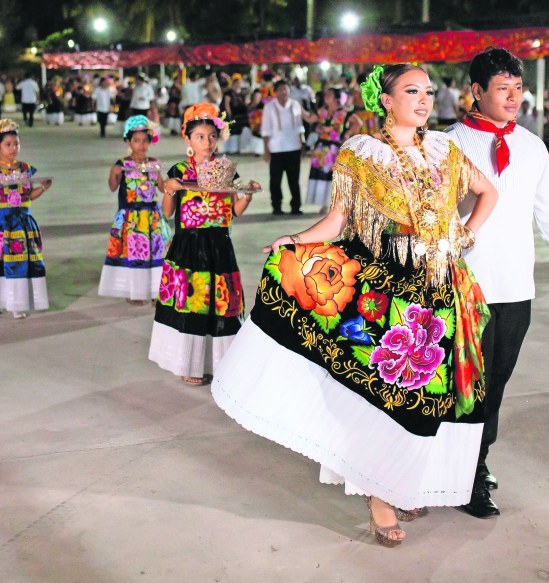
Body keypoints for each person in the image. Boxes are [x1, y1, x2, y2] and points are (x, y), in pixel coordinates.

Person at [212, 63, 499, 547]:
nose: (424, 99)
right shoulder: (362, 154)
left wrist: (462, 235)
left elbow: (488, 193)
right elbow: (338, 221)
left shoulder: (445, 149)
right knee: (382, 396)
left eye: (428, 91)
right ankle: (379, 497)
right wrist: (295, 240)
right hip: (389, 286)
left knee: (425, 398)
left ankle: (404, 481)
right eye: (412, 91)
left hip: (443, 286)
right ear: (385, 100)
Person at [445, 47, 549, 519]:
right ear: (476, 91)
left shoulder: (532, 147)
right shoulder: (447, 145)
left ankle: (475, 460)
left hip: (515, 288)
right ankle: (465, 474)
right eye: (502, 88)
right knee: (461, 384)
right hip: (463, 286)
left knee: (496, 384)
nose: (513, 98)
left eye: (518, 88)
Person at [150, 103, 256, 385]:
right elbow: (168, 212)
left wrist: (247, 195)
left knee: (220, 305)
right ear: (188, 139)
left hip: (220, 245)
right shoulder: (180, 170)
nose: (207, 142)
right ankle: (190, 364)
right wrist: (171, 189)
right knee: (193, 304)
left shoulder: (226, 171)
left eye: (211, 136)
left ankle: (221, 363)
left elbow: (234, 211)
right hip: (189, 247)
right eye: (200, 137)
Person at [0, 119, 53, 318]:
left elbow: (28, 196)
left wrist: (43, 188)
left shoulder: (26, 169)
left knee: (19, 263)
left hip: (21, 223)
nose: (13, 148)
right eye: (8, 144)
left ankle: (17, 304)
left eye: (16, 144)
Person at [99, 116, 170, 304]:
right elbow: (113, 187)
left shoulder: (154, 164)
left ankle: (155, 291)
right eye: (136, 140)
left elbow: (162, 188)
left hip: (152, 217)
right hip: (131, 218)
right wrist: (113, 174)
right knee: (135, 254)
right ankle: (134, 292)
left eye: (145, 140)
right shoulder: (122, 164)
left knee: (155, 254)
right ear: (128, 141)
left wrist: (174, 183)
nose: (142, 145)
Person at [261, 80, 305, 216]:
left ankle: (296, 206)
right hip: (276, 149)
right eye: (281, 89)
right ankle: (276, 206)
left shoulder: (295, 105)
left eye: (286, 89)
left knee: (294, 181)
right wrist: (266, 151)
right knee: (275, 181)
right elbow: (266, 130)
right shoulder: (269, 108)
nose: (284, 92)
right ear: (275, 92)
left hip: (294, 148)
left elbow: (300, 126)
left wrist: (303, 145)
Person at [304, 86, 349, 213]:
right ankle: (325, 203)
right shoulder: (322, 111)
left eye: (329, 94)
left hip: (334, 148)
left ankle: (335, 204)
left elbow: (357, 122)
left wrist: (347, 133)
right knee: (322, 175)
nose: (325, 96)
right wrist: (299, 109)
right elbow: (309, 118)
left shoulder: (343, 112)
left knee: (333, 176)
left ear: (336, 98)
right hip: (321, 148)